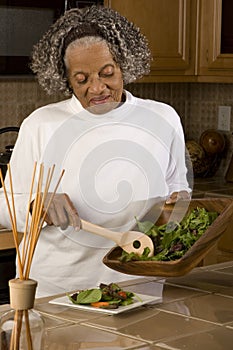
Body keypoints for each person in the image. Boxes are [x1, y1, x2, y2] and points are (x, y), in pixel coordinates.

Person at [0, 5, 191, 297]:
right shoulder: (42, 125)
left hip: (139, 288)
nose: (97, 88)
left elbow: (177, 191)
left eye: (107, 74)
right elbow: (4, 206)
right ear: (66, 80)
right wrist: (37, 204)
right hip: (59, 291)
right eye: (82, 79)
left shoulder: (164, 118)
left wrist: (177, 204)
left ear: (125, 65)